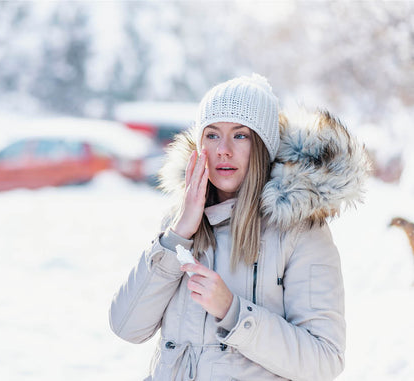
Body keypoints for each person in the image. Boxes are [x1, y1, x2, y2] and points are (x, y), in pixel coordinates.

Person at [109, 74, 369, 380]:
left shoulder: (299, 231)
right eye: (213, 135)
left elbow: (324, 359)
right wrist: (178, 233)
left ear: (262, 146)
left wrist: (234, 312)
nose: (224, 149)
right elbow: (127, 326)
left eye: (241, 135)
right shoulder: (179, 224)